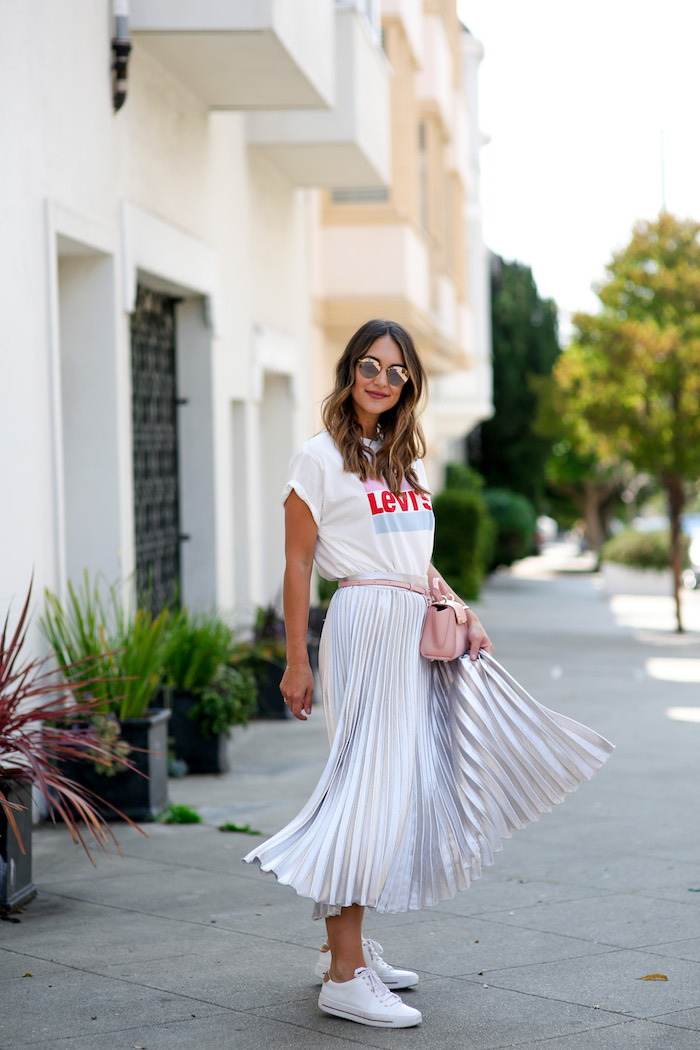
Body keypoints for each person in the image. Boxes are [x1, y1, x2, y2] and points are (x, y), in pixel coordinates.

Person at [244, 319, 613, 1030]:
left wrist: (456, 604)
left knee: (388, 784)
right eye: (369, 365)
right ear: (349, 370)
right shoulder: (317, 458)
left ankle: (341, 952)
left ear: (408, 381)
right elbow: (296, 564)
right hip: (364, 625)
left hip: (410, 622)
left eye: (395, 370)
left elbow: (413, 558)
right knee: (367, 789)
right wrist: (295, 659)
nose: (381, 379)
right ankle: (345, 976)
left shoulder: (398, 460)